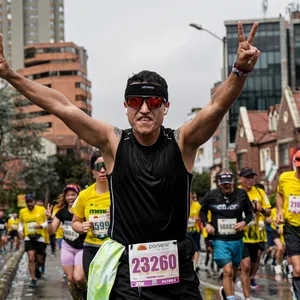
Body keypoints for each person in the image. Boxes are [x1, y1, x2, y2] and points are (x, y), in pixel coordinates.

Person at [0, 20, 260, 299]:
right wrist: (10, 75)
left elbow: (217, 106)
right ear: (126, 107)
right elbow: (62, 106)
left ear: (166, 107)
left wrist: (240, 71)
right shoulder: (112, 143)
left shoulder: (182, 142)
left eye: (154, 102)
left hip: (177, 271)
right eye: (135, 102)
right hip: (127, 273)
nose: (144, 109)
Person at [200, 171, 253, 300]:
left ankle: (226, 290)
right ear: (219, 184)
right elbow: (202, 211)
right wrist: (206, 224)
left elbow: (250, 214)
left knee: (235, 270)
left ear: (233, 182)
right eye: (224, 185)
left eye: (229, 184)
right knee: (227, 271)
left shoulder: (242, 194)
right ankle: (230, 298)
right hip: (220, 239)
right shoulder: (212, 195)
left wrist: (244, 222)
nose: (227, 187)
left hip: (237, 238)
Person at [72, 151, 110, 280]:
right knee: (92, 285)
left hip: (113, 248)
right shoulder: (84, 195)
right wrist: (81, 226)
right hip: (91, 248)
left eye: (106, 165)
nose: (103, 171)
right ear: (93, 171)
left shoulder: (120, 193)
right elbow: (75, 222)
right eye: (99, 167)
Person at [46, 184, 86, 300]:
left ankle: (86, 292)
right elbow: (51, 231)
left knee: (79, 278)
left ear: (78, 196)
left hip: (82, 248)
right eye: (68, 195)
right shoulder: (61, 212)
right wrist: (49, 219)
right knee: (71, 279)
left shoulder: (83, 210)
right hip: (67, 247)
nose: (70, 197)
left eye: (73, 195)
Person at [237, 167, 271, 300]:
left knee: (255, 260)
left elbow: (269, 211)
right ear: (240, 179)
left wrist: (261, 209)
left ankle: (250, 279)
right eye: (247, 177)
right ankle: (247, 297)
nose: (250, 180)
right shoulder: (237, 192)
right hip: (242, 235)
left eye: (252, 177)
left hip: (257, 234)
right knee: (245, 265)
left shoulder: (260, 192)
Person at [276, 149, 300, 299]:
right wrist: (279, 210)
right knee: (298, 268)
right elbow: (279, 193)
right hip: (292, 228)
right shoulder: (285, 178)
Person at [18, 194, 47, 288]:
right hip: (28, 237)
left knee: (39, 260)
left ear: (34, 201)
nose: (29, 203)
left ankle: (37, 268)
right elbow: (21, 223)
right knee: (31, 257)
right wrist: (20, 231)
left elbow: (48, 221)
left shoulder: (41, 209)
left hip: (40, 237)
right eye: (27, 202)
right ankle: (33, 279)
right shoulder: (22, 211)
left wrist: (41, 226)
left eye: (31, 201)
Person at [187, 192, 201, 272]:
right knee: (188, 248)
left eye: (190, 197)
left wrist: (197, 218)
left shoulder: (198, 206)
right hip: (186, 231)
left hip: (195, 230)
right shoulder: (183, 205)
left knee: (196, 247)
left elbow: (202, 217)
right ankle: (189, 263)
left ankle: (195, 264)